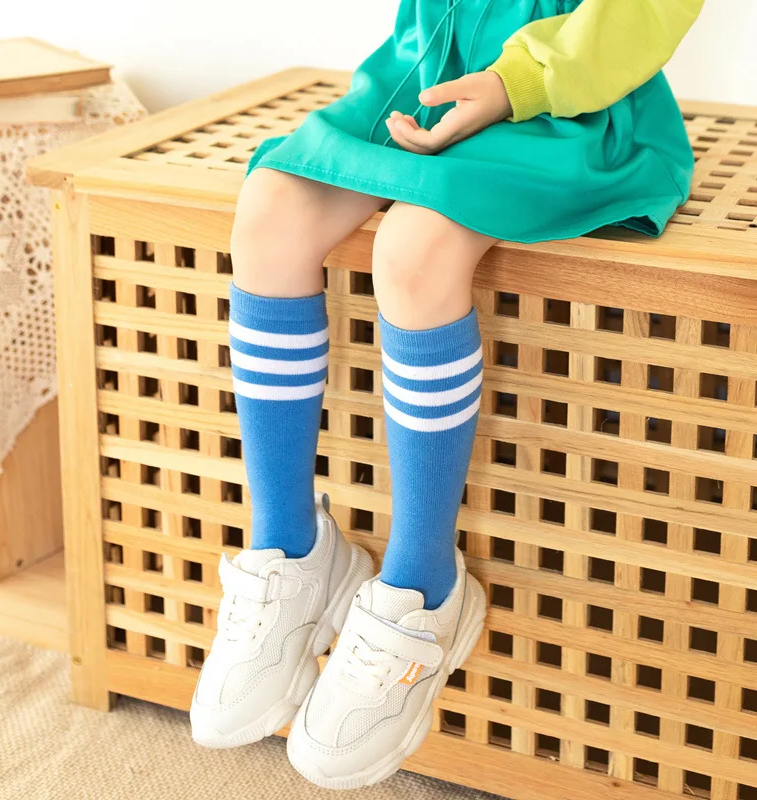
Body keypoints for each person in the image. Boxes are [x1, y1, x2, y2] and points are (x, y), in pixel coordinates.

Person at [191, 0, 704, 788]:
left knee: (414, 250)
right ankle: (288, 547)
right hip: (422, 76)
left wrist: (518, 81)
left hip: (569, 105)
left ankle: (422, 583)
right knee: (270, 211)